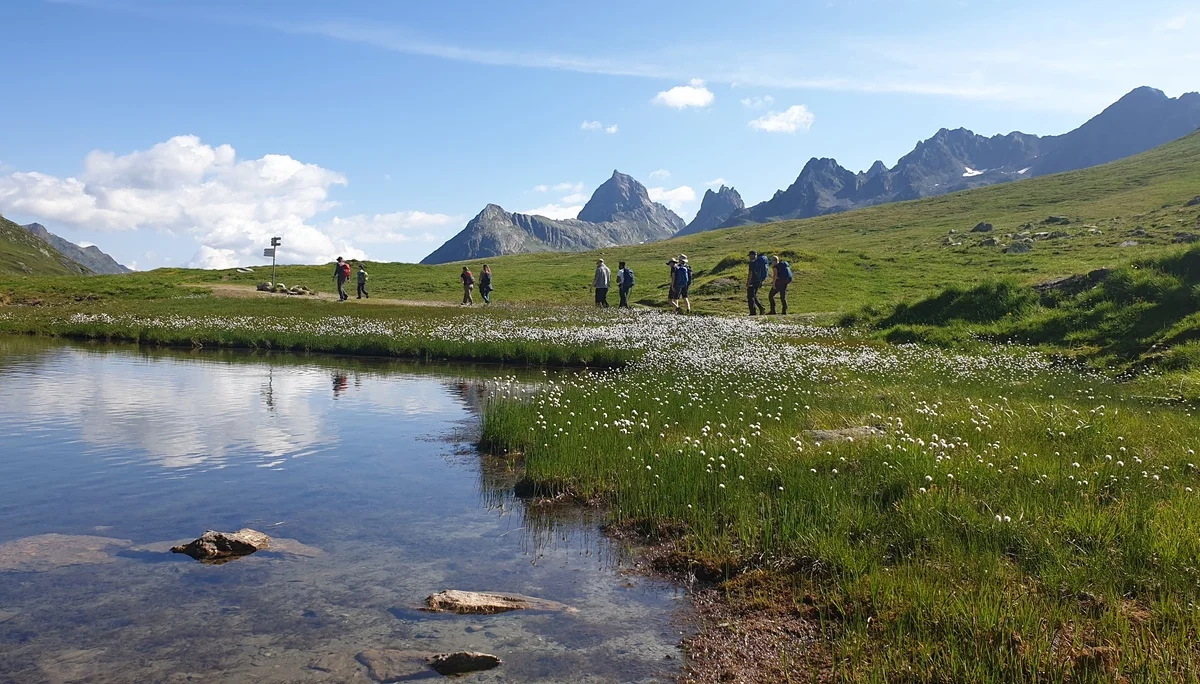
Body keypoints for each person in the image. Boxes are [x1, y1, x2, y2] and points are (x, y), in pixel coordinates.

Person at [747, 250, 768, 315]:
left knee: (750, 296)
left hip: (753, 281)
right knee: (754, 295)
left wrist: (748, 282)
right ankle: (761, 308)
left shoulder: (752, 263)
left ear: (752, 255)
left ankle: (753, 312)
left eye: (750, 255)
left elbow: (750, 273)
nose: (749, 257)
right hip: (758, 281)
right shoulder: (760, 262)